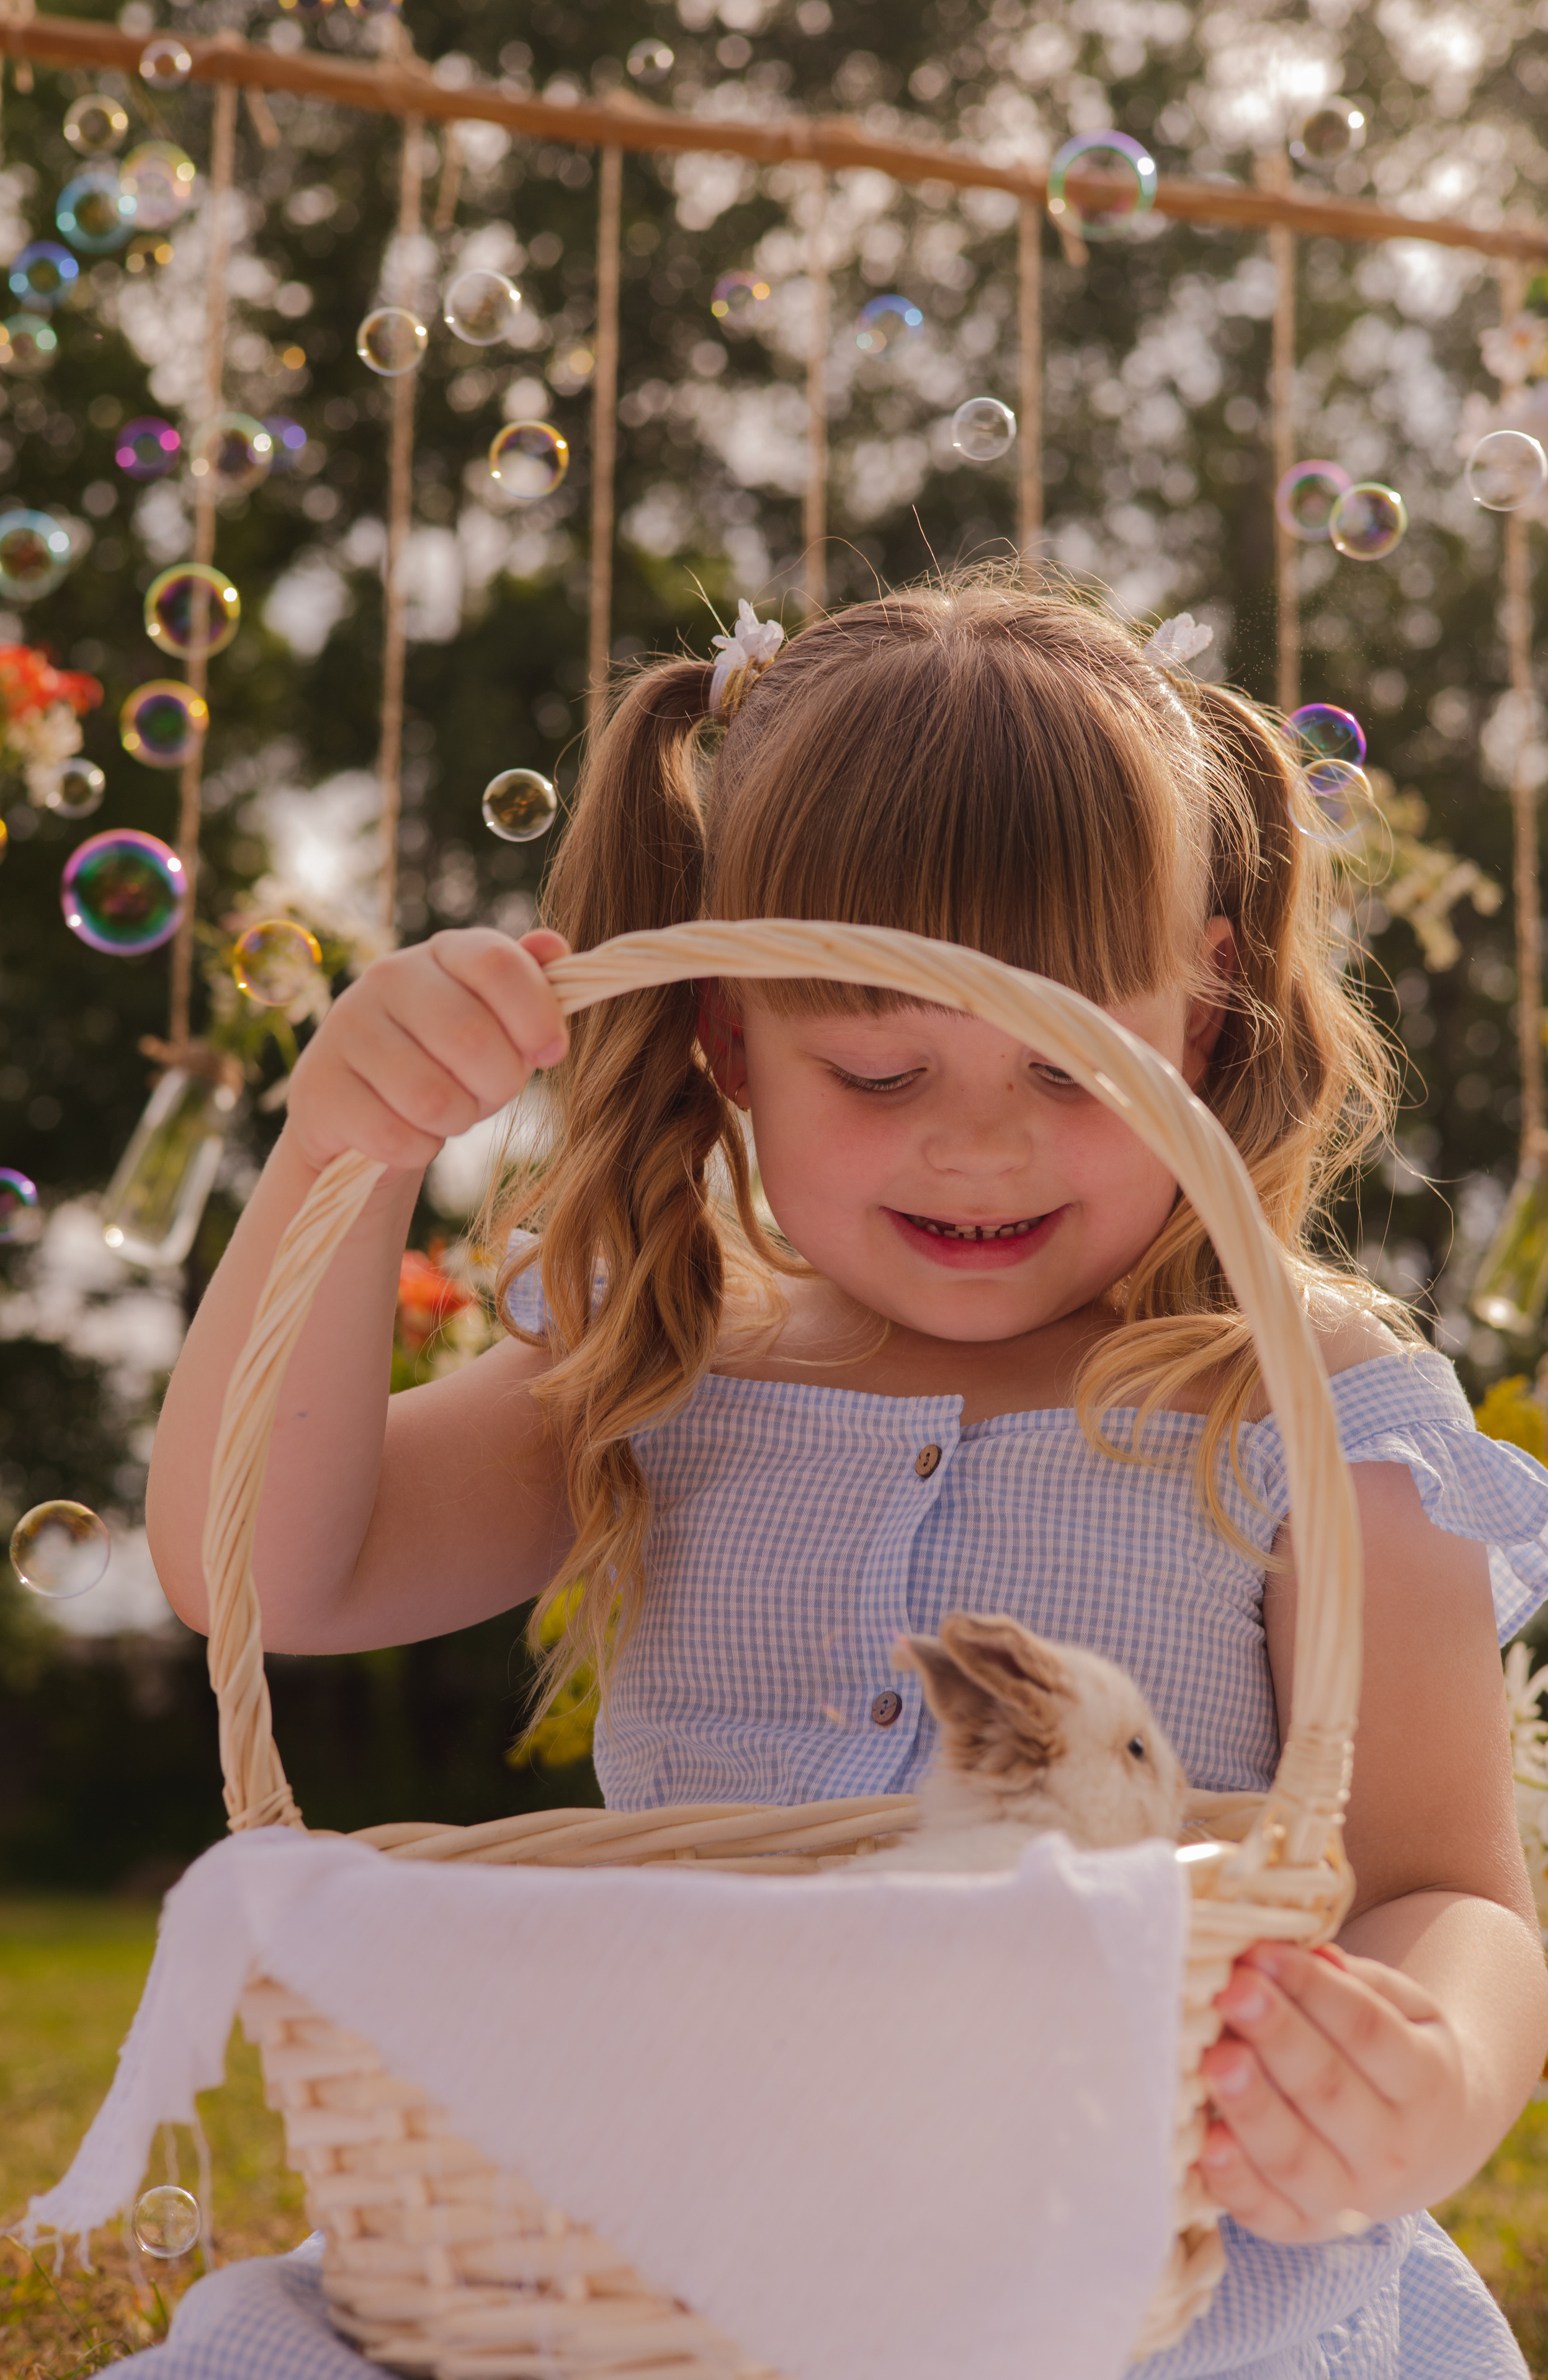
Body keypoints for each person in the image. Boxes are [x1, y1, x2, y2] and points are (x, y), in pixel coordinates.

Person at [144, 574, 1548, 2379]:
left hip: (1154, 2260)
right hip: (671, 2252)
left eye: (1071, 1062)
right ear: (728, 1038)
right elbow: (261, 1570)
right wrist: (346, 1153)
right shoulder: (662, 1360)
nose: (981, 1141)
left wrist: (1431, 2067)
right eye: (880, 1069)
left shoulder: (1302, 1411)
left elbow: (1451, 1886)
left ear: (1194, 1025)